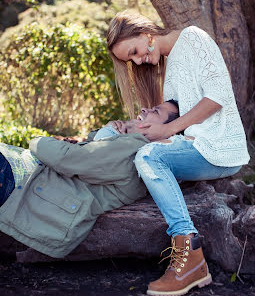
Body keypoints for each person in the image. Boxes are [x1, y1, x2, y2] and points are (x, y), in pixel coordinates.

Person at [107, 11, 250, 296]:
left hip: (218, 147)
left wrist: (168, 129)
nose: (137, 61)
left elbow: (216, 97)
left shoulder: (193, 38)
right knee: (123, 143)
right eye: (130, 60)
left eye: (134, 52)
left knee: (148, 157)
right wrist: (134, 125)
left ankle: (190, 255)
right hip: (194, 146)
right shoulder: (170, 65)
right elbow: (175, 111)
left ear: (146, 33)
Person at [0, 101, 178, 258]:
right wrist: (108, 130)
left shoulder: (135, 148)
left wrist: (38, 140)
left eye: (155, 112)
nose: (145, 109)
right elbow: (92, 154)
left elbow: (66, 158)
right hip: (23, 180)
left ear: (163, 131)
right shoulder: (130, 146)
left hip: (22, 186)